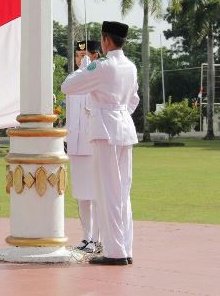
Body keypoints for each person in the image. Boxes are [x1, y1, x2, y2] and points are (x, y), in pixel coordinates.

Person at [61, 21, 139, 266]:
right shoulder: (130, 66)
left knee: (107, 192)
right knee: (122, 192)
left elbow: (68, 86)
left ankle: (115, 252)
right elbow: (133, 100)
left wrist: (84, 68)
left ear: (106, 40)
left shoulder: (103, 66)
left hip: (105, 130)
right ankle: (124, 248)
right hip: (124, 128)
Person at [66, 40, 102, 254]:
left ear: (95, 56)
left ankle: (96, 239)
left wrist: (89, 71)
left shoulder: (98, 78)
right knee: (81, 195)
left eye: (85, 55)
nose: (80, 59)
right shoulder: (72, 80)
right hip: (76, 145)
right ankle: (86, 236)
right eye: (78, 56)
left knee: (95, 195)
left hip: (92, 145)